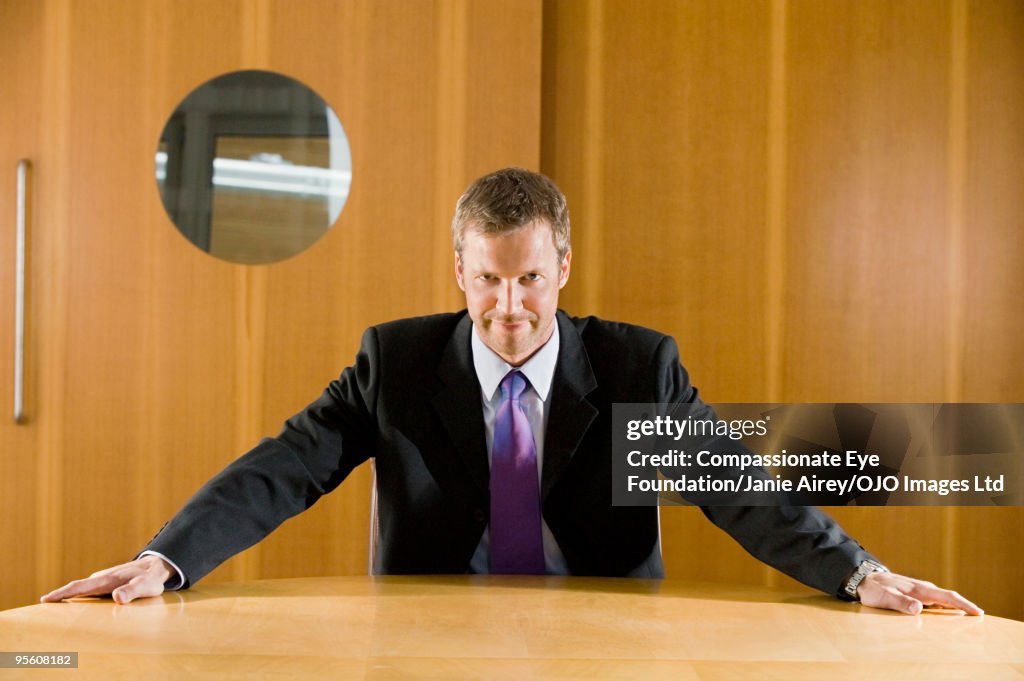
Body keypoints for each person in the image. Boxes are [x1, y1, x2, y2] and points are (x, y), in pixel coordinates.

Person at [42, 168, 981, 616]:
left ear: (564, 267)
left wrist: (860, 572)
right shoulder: (395, 364)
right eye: (487, 279)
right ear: (458, 269)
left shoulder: (635, 368)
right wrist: (164, 558)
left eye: (530, 278)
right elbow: (283, 468)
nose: (508, 307)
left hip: (607, 640)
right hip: (427, 639)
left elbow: (738, 485)